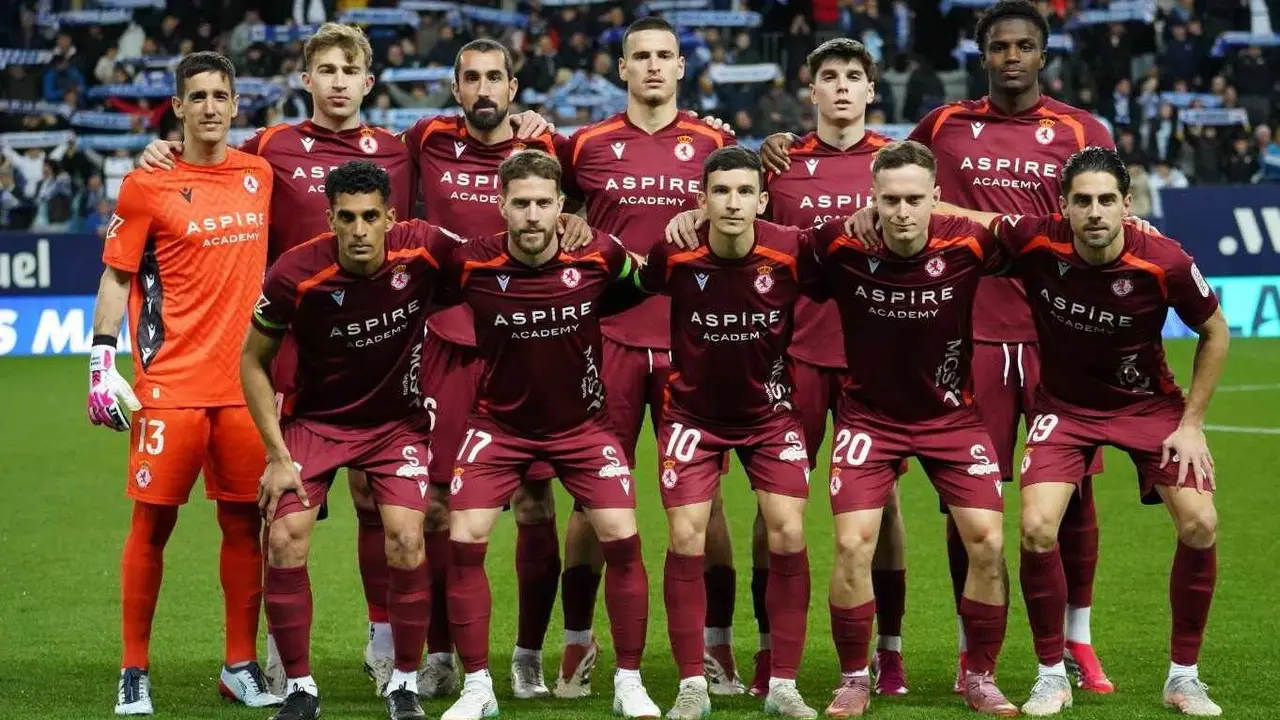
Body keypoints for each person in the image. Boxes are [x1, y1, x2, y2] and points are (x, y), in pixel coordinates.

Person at [136, 23, 555, 696]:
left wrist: (531, 123)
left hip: (378, 340)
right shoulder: (270, 145)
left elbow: (484, 147)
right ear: (307, 80)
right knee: (280, 502)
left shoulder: (401, 147)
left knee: (375, 499)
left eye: (348, 70)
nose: (337, 82)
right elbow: (210, 159)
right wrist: (165, 147)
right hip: (292, 343)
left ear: (368, 81)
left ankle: (384, 642)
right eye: (325, 70)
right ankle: (275, 653)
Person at [761, 0, 1118, 691]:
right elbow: (891, 169)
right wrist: (782, 141)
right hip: (968, 330)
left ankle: (1079, 639)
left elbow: (1104, 210)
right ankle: (965, 651)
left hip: (1057, 331)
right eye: (999, 46)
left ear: (1043, 54)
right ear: (981, 56)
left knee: (1073, 492)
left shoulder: (1083, 130)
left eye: (1023, 46)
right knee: (968, 506)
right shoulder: (942, 125)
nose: (1011, 57)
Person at [937, 147, 1228, 717]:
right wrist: (907, 206)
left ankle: (1184, 678)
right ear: (1064, 206)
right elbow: (974, 219)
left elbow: (1215, 331)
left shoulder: (1164, 260)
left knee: (1200, 523)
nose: (1095, 212)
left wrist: (1192, 424)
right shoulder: (1037, 240)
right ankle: (1051, 675)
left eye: (1106, 200)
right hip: (1065, 410)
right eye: (1082, 201)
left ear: (1127, 204)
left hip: (1147, 405)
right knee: (1037, 528)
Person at [671, 38, 906, 697]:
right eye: (828, 76)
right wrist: (694, 214)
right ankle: (770, 648)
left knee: (883, 504)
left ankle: (888, 652)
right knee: (774, 506)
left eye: (853, 76)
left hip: (875, 356)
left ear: (870, 90)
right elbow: (738, 225)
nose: (841, 86)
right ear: (812, 90)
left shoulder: (896, 162)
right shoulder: (779, 162)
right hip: (793, 354)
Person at [797, 140, 1020, 716]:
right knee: (852, 543)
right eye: (890, 199)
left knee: (989, 542)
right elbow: (765, 250)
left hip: (952, 419)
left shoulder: (969, 242)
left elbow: (1046, 238)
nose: (901, 212)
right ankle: (854, 677)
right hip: (869, 419)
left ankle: (981, 675)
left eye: (914, 200)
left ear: (936, 199)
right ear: (872, 198)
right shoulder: (838, 243)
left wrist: (1133, 225)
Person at [88, 51, 281, 715]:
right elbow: (117, 274)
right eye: (196, 96)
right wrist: (100, 360)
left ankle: (240, 666)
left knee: (244, 527)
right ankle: (133, 671)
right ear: (177, 106)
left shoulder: (259, 174)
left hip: (244, 389)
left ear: (235, 104)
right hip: (169, 386)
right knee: (152, 526)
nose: (209, 107)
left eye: (219, 95)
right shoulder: (147, 184)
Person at [555, 16, 742, 697]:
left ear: (682, 67)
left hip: (697, 341)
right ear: (623, 69)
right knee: (590, 498)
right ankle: (578, 642)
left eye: (666, 55)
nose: (654, 66)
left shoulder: (716, 144)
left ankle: (717, 647)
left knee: (707, 503)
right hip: (606, 339)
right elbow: (551, 205)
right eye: (642, 56)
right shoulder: (586, 146)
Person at [439, 150, 661, 720]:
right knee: (463, 538)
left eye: (543, 203)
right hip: (499, 427)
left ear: (561, 205)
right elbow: (414, 289)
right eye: (521, 204)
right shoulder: (470, 264)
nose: (533, 215)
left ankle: (630, 682)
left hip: (583, 428)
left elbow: (645, 281)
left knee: (623, 537)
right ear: (501, 206)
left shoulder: (599, 255)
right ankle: (477, 687)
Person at [244, 161, 464, 720]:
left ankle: (404, 683)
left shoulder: (424, 249)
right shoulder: (295, 274)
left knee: (407, 538)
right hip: (316, 424)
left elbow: (493, 259)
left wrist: (568, 224)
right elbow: (252, 362)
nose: (360, 230)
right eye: (347, 218)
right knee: (284, 537)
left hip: (395, 426)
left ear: (391, 217)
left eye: (370, 217)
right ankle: (299, 689)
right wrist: (276, 455)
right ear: (330, 219)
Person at [403, 38, 563, 699]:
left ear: (514, 87)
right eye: (471, 78)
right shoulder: (426, 138)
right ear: (456, 87)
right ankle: (440, 653)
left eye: (495, 77)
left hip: (525, 343)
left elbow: (589, 208)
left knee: (534, 500)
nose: (484, 88)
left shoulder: (544, 146)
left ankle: (527, 655)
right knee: (436, 507)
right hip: (448, 343)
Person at [639, 146, 822, 720]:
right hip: (692, 417)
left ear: (763, 200)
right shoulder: (674, 251)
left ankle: (783, 684)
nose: (733, 202)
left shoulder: (791, 251)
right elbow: (634, 281)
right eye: (721, 191)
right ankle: (692, 685)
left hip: (770, 417)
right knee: (685, 536)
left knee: (787, 531)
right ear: (703, 200)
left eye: (745, 192)